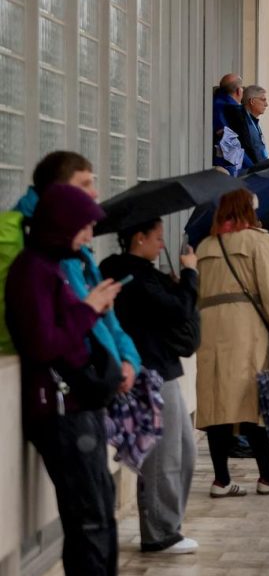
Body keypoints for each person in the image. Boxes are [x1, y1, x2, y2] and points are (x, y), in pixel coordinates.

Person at [6, 184, 160, 576]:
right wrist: (88, 310)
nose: (92, 233)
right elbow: (44, 344)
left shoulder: (54, 268)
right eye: (85, 224)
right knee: (88, 521)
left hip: (80, 410)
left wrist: (93, 306)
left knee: (102, 517)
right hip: (58, 412)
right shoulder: (31, 271)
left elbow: (65, 327)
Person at [100, 218, 200, 555]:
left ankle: (167, 524)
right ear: (138, 238)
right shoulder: (132, 275)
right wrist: (189, 275)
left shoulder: (142, 273)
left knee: (185, 450)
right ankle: (160, 532)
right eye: (156, 238)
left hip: (163, 367)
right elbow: (179, 310)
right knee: (165, 455)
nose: (162, 245)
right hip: (151, 369)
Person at [14, 152, 142, 398]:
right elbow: (53, 331)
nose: (94, 193)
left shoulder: (74, 246)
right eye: (85, 184)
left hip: (97, 379)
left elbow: (103, 318)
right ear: (57, 191)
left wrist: (127, 359)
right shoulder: (36, 249)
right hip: (70, 388)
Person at [194, 189, 269, 495]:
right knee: (254, 401)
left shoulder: (206, 245)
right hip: (248, 330)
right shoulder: (259, 240)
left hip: (210, 332)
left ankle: (221, 480)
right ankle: (268, 477)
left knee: (217, 404)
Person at [212, 74, 246, 175]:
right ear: (239, 91)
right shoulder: (233, 110)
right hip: (228, 164)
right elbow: (232, 143)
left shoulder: (215, 103)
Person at [239, 84, 269, 167]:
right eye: (263, 100)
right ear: (252, 101)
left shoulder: (253, 121)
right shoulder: (242, 122)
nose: (266, 104)